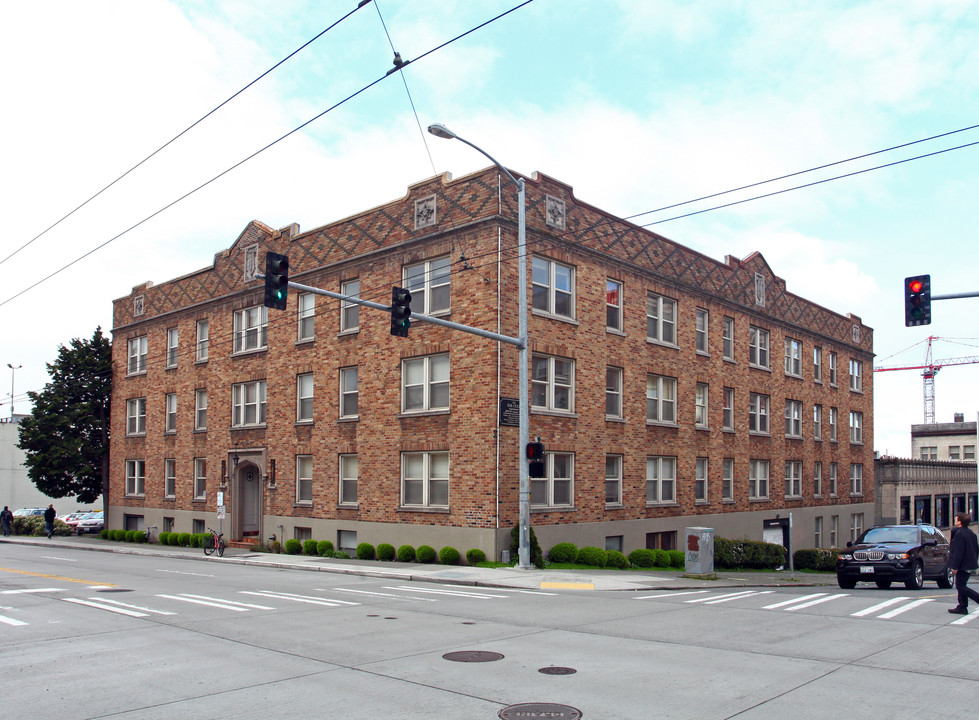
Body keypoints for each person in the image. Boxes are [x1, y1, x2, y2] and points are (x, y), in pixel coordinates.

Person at [947, 512, 979, 615]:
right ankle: (962, 606)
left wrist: (954, 566)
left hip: (963, 564)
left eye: (956, 519)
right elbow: (976, 549)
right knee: (961, 585)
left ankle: (971, 602)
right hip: (970, 562)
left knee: (961, 586)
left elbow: (958, 551)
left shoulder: (959, 534)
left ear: (959, 522)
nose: (955, 520)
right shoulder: (971, 533)